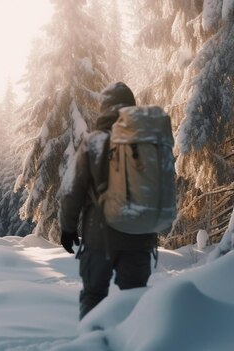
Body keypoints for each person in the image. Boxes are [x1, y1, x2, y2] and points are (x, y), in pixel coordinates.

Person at [58, 82, 158, 320]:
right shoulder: (148, 142)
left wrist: (67, 228)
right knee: (134, 300)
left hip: (99, 236)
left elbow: (73, 190)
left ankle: (92, 343)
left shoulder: (93, 142)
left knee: (93, 296)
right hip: (138, 236)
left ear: (104, 109)